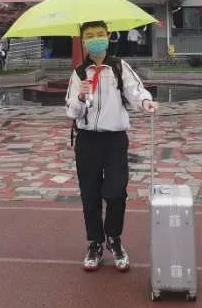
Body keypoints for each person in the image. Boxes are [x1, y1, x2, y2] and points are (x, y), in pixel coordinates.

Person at [66, 20, 159, 272]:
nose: (95, 39)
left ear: (108, 37)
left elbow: (135, 91)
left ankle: (114, 239)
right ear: (84, 41)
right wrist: (81, 96)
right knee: (90, 194)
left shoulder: (119, 67)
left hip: (115, 140)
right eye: (90, 36)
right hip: (87, 141)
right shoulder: (78, 73)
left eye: (99, 34)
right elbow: (70, 111)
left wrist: (146, 102)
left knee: (117, 192)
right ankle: (95, 243)